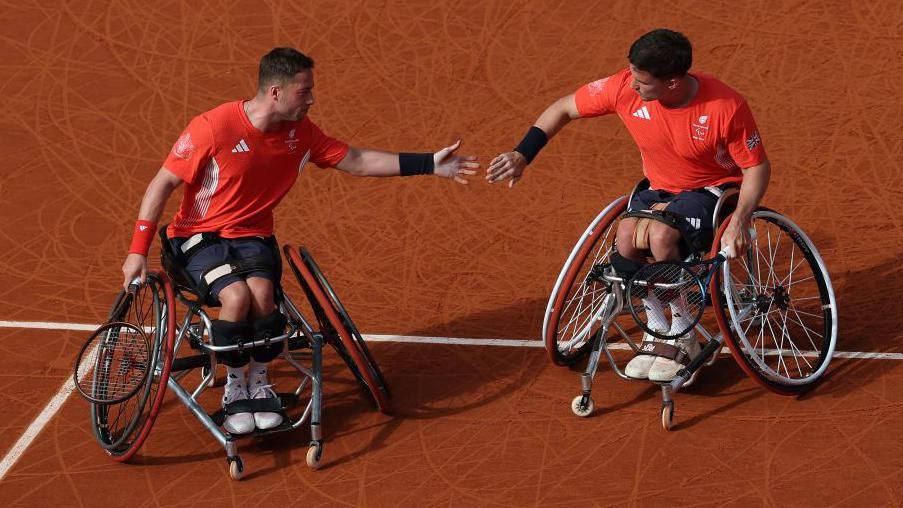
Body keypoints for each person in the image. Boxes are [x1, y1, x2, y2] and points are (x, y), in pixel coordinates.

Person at [121, 47, 479, 434]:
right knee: (237, 298)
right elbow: (162, 184)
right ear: (275, 92)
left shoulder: (301, 134)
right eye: (304, 91)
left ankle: (259, 382)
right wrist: (137, 251)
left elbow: (356, 160)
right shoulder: (214, 126)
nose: (311, 99)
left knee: (262, 295)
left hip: (253, 237)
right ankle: (235, 389)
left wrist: (428, 163)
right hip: (197, 237)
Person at [487, 28, 770, 382]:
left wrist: (742, 219)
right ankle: (656, 325)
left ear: (672, 82)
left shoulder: (725, 107)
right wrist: (522, 154)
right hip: (658, 189)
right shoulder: (625, 86)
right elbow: (562, 108)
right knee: (625, 236)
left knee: (662, 237)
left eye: (642, 81)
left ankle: (683, 333)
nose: (632, 86)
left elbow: (756, 167)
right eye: (632, 75)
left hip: (712, 191)